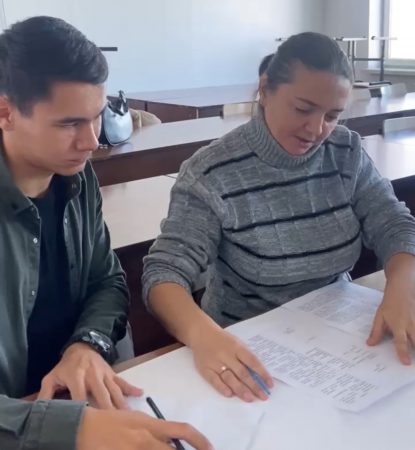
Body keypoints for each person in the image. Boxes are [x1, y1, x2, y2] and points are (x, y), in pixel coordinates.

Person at [142, 32, 415, 404]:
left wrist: (403, 283)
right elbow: (164, 274)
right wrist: (204, 336)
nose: (316, 130)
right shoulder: (211, 173)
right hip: (246, 348)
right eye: (303, 109)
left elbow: (393, 222)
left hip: (338, 335)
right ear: (265, 89)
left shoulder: (345, 151)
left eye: (332, 116)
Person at [0, 16, 212, 450]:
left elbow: (107, 280)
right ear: (5, 112)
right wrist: (71, 428)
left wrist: (87, 345)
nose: (92, 141)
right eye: (69, 124)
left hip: (86, 395)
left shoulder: (78, 179)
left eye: (97, 117)